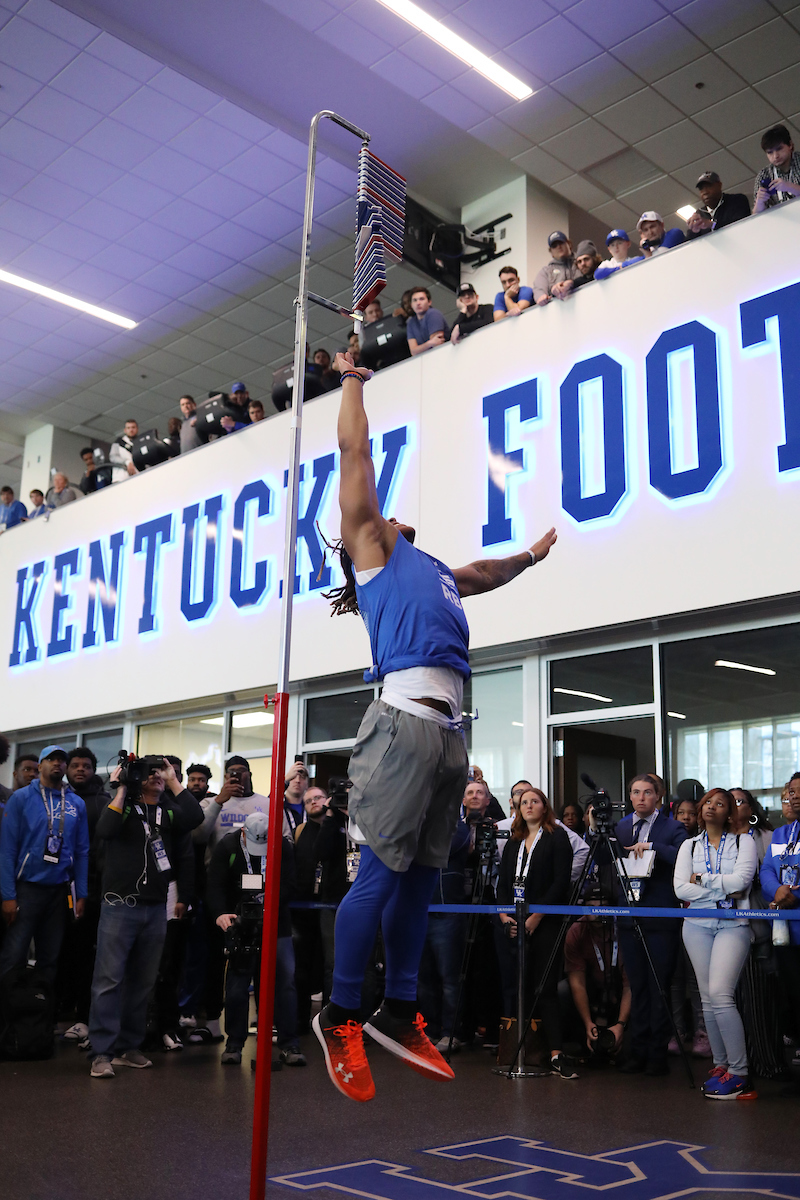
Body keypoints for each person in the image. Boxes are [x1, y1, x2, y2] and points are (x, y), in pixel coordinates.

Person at [312, 350, 558, 1102]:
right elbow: (353, 450)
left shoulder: (436, 569)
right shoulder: (375, 550)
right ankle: (342, 1011)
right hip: (404, 721)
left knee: (425, 875)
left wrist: (528, 556)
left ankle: (400, 1006)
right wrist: (353, 379)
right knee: (384, 874)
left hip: (451, 735)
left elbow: (483, 574)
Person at [87, 757, 202, 1078]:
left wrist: (173, 780)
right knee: (108, 981)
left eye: (160, 773)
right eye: (149, 774)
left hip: (155, 907)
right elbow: (105, 829)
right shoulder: (123, 808)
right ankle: (101, 1052)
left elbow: (194, 817)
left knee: (142, 981)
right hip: (119, 904)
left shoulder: (167, 812)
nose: (156, 778)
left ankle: (127, 1046)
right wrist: (123, 787)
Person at [674, 788, 758, 1099]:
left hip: (733, 924)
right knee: (707, 998)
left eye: (720, 803)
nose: (712, 806)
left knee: (722, 995)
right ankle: (722, 1065)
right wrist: (720, 888)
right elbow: (681, 888)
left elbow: (743, 882)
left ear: (730, 813)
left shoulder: (743, 841)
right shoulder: (688, 845)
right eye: (708, 802)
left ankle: (740, 1073)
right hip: (696, 924)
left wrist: (703, 880)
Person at [602, 773, 687, 1076]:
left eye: (647, 792)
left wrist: (651, 846)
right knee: (637, 987)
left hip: (660, 916)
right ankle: (636, 1051)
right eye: (635, 792)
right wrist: (594, 830)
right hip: (629, 916)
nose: (640, 798)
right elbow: (603, 858)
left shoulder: (674, 827)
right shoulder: (621, 826)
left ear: (659, 797)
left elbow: (682, 857)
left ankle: (657, 1054)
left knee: (658, 987)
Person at [207, 811, 304, 1067]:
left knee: (284, 983)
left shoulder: (282, 846)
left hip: (276, 923)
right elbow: (215, 884)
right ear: (243, 833)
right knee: (238, 986)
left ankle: (289, 1043)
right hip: (241, 924)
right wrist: (220, 914)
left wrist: (269, 904)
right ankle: (234, 1044)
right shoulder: (227, 846)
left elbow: (291, 883)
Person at [497, 788, 575, 1078]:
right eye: (524, 802)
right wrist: (506, 918)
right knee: (518, 987)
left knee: (545, 988)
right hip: (514, 923)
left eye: (535, 801)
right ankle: (522, 1049)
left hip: (545, 924)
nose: (528, 805)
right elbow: (503, 884)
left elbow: (560, 883)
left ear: (545, 807)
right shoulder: (514, 841)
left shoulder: (557, 837)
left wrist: (535, 918)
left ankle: (556, 1053)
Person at [190, 755, 269, 1043]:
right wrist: (219, 801)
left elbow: (283, 842)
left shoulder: (265, 803)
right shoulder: (211, 803)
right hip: (220, 889)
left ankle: (264, 1021)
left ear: (250, 774)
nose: (236, 777)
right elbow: (198, 836)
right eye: (230, 773)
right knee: (212, 959)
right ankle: (210, 1021)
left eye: (241, 773)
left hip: (259, 890)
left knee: (259, 960)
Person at [0, 746, 89, 986]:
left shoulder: (76, 803)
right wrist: (8, 895)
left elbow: (82, 852)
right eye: (51, 759)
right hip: (26, 889)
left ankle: (40, 1019)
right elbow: (7, 850)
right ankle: (7, 1019)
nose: (57, 764)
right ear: (40, 766)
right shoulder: (20, 799)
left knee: (49, 958)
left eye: (62, 760)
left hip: (59, 891)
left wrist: (81, 893)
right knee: (14, 955)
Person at [57, 748, 112, 1042]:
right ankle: (57, 1011)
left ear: (94, 769)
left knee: (86, 955)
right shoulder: (56, 798)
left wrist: (91, 889)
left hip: (91, 890)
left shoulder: (103, 802)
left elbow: (102, 851)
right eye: (75, 765)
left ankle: (84, 1017)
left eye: (86, 765)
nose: (80, 770)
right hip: (57, 887)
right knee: (62, 952)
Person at [760, 771, 800, 1081]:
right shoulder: (781, 835)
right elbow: (768, 871)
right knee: (793, 993)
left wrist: (793, 894)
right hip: (788, 930)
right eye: (791, 792)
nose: (794, 796)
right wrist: (776, 891)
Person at [564, 914, 631, 1063]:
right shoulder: (577, 930)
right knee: (564, 991)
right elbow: (577, 984)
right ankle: (584, 1041)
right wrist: (588, 1022)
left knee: (628, 1054)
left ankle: (622, 1038)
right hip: (593, 990)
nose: (597, 912)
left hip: (621, 994)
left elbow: (630, 986)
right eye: (591, 904)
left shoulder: (624, 926)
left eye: (602, 904)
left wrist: (621, 1024)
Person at [292, 784, 327, 1033]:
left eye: (318, 798)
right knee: (300, 968)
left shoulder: (342, 830)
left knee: (330, 966)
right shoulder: (300, 831)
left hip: (331, 906)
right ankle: (299, 1021)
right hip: (302, 909)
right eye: (308, 801)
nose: (313, 802)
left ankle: (328, 1022)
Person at [754, 124, 800, 213]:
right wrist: (759, 202)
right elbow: (756, 216)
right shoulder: (764, 175)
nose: (775, 156)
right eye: (770, 152)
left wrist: (790, 187)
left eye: (779, 149)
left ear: (790, 145)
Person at [533, 232, 581, 306]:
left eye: (561, 243)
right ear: (551, 252)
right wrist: (542, 297)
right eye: (554, 246)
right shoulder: (545, 272)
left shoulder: (581, 261)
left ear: (569, 244)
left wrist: (572, 283)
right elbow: (539, 290)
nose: (559, 247)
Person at [406, 286, 449, 355]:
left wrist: (422, 347)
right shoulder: (411, 322)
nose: (418, 303)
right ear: (411, 305)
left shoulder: (433, 314)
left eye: (421, 299)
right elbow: (413, 351)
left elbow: (437, 344)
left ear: (429, 302)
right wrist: (429, 343)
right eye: (415, 300)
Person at [283, 761, 309, 838]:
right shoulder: (279, 806)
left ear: (307, 783)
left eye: (302, 777)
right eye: (293, 777)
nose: (297, 780)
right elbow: (268, 804)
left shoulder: (311, 807)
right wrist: (284, 781)